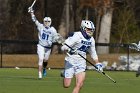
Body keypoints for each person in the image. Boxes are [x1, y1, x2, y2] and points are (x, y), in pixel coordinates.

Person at [61, 20, 103, 93]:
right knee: (66, 85)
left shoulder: (91, 40)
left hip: (81, 62)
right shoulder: (77, 36)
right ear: (83, 28)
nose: (91, 31)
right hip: (71, 61)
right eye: (89, 29)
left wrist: (97, 63)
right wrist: (70, 50)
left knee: (79, 84)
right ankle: (64, 73)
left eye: (92, 30)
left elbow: (93, 52)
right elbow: (63, 47)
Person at [28, 7, 58, 79]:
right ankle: (39, 74)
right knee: (41, 59)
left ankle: (44, 68)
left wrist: (53, 41)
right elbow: (34, 20)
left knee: (45, 60)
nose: (47, 23)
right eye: (45, 21)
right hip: (41, 46)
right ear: (43, 22)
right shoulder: (41, 26)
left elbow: (55, 39)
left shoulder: (53, 30)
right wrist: (31, 13)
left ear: (50, 22)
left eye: (48, 22)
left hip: (48, 48)